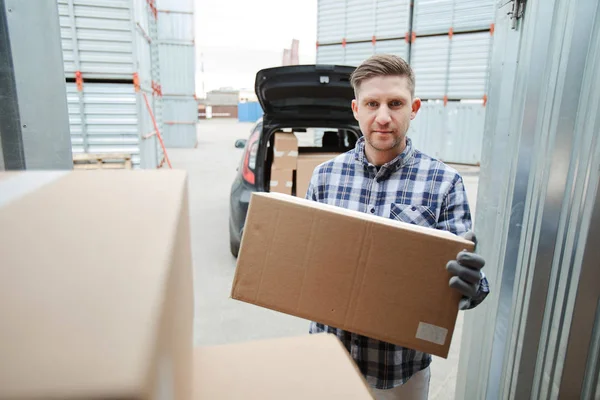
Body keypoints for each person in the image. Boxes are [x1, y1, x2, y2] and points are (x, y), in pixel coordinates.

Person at [305, 54, 490, 400]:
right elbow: (308, 262)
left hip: (400, 373)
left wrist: (469, 287)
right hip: (329, 358)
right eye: (372, 104)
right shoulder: (324, 177)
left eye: (395, 103)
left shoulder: (444, 183)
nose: (384, 117)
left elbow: (464, 289)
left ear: (414, 108)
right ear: (356, 108)